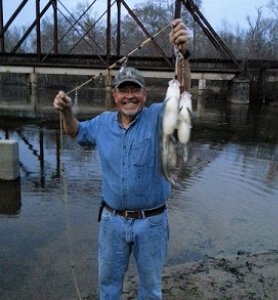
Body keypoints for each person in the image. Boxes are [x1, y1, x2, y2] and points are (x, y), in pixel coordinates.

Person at [53, 18, 191, 300]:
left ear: (145, 94)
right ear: (114, 95)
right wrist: (66, 112)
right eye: (123, 90)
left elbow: (182, 92)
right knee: (108, 288)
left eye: (135, 90)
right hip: (112, 223)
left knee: (151, 290)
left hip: (152, 222)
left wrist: (182, 54)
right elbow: (75, 132)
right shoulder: (102, 123)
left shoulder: (156, 117)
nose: (130, 96)